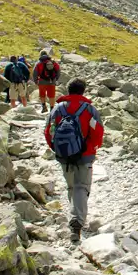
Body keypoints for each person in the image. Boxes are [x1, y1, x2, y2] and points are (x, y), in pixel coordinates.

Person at [44, 79, 104, 243]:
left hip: (64, 155)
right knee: (81, 187)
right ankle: (76, 223)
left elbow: (49, 131)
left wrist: (57, 148)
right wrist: (91, 148)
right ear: (83, 91)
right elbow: (98, 132)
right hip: (85, 156)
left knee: (71, 186)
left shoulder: (57, 109)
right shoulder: (89, 110)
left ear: (68, 91)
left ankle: (75, 214)